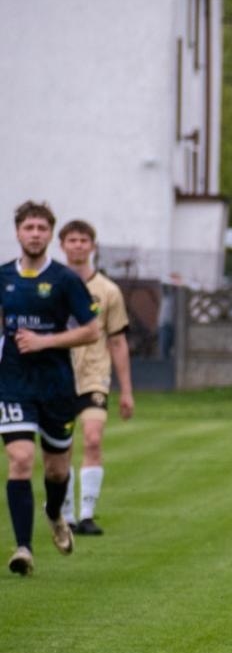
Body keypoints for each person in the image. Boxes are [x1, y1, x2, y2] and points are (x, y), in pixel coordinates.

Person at [0, 201, 99, 575]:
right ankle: (24, 548)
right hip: (13, 384)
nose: (35, 234)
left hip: (56, 386)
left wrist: (45, 341)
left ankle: (55, 512)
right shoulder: (3, 277)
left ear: (49, 235)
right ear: (18, 233)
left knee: (57, 471)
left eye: (42, 228)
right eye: (29, 228)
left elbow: (91, 329)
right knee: (21, 459)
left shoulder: (64, 280)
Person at [57, 220, 134, 536]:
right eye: (71, 240)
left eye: (83, 240)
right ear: (62, 245)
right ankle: (67, 515)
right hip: (58, 375)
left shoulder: (108, 290)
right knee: (62, 447)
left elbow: (117, 341)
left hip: (94, 375)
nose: (77, 245)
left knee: (92, 438)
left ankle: (87, 514)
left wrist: (126, 390)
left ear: (92, 246)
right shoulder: (52, 284)